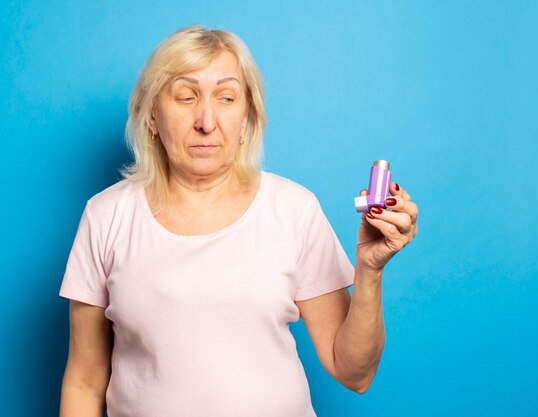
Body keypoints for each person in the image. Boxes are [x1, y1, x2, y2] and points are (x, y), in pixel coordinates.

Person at [58, 25, 418, 417]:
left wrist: (370, 269)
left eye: (227, 98)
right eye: (185, 97)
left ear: (247, 116)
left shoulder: (293, 208)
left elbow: (355, 373)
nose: (207, 121)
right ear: (151, 117)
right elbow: (84, 382)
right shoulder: (105, 215)